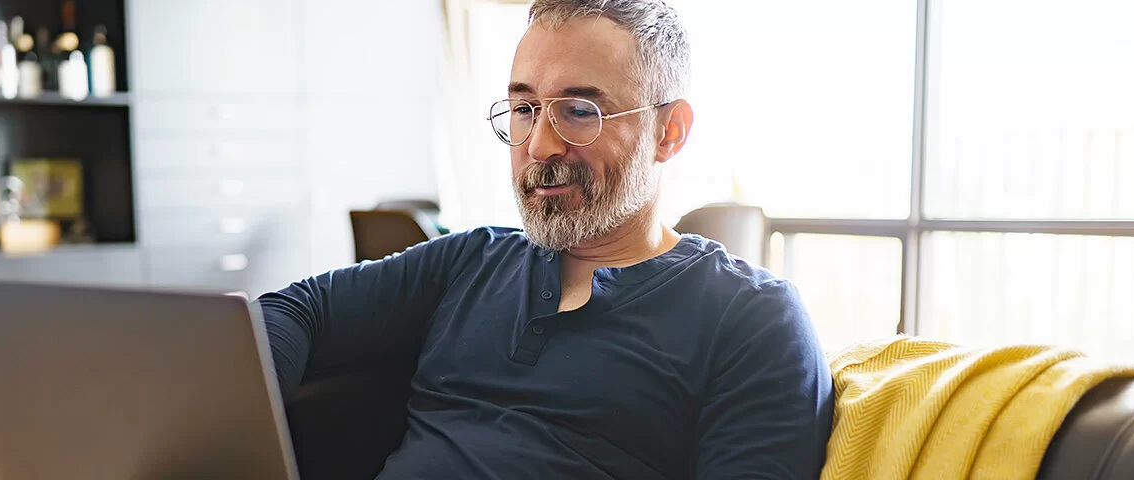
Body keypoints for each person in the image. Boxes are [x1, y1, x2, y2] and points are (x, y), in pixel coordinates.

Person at [259, 0, 834, 478]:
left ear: (670, 131)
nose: (538, 146)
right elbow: (294, 311)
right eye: (525, 108)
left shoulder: (754, 321)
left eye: (579, 111)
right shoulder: (471, 261)